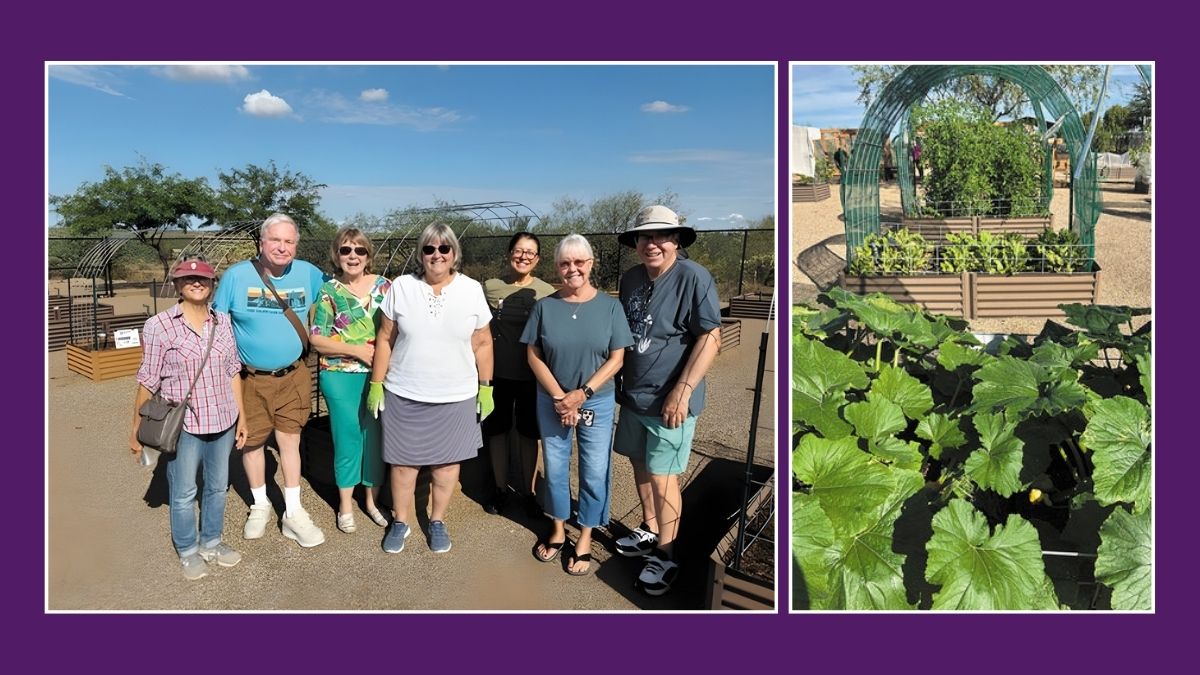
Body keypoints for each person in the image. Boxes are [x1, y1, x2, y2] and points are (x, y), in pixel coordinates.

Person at [613, 205, 721, 596]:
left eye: (660, 236)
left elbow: (710, 337)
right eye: (644, 236)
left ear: (676, 240)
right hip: (635, 396)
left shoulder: (695, 278)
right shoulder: (631, 280)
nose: (652, 243)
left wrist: (683, 389)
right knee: (640, 464)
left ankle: (666, 554)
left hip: (670, 402)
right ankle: (650, 528)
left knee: (664, 477)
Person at [368, 223, 494, 554]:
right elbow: (385, 338)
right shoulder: (401, 287)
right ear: (420, 254)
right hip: (405, 393)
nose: (436, 255)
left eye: (443, 249)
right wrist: (376, 384)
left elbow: (482, 342)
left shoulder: (471, 289)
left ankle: (437, 520)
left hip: (456, 396)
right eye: (429, 248)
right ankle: (401, 521)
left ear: (454, 254)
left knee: (447, 466)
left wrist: (486, 387)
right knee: (403, 465)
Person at [212, 212, 327, 548]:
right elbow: (217, 326)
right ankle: (260, 504)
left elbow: (337, 300)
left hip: (294, 375)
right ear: (262, 243)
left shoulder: (309, 273)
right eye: (275, 240)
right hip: (250, 379)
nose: (282, 247)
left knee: (290, 441)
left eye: (289, 241)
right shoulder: (236, 277)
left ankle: (293, 512)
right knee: (253, 442)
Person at [129, 255, 248, 580]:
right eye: (188, 278)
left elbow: (232, 371)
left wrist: (243, 417)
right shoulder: (159, 326)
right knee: (183, 492)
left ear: (212, 285)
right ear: (177, 284)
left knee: (217, 486)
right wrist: (135, 429)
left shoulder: (223, 323)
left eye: (204, 279)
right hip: (185, 426)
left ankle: (211, 541)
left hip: (223, 419)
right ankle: (187, 549)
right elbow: (148, 379)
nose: (196, 282)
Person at [522, 234, 633, 576]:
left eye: (579, 262)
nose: (572, 269)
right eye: (565, 263)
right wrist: (560, 397)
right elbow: (533, 354)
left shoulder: (609, 307)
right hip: (552, 401)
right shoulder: (544, 307)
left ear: (591, 264)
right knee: (555, 468)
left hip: (595, 402)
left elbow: (617, 358)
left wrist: (582, 393)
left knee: (594, 469)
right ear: (557, 267)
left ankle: (584, 534)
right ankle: (557, 528)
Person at [309, 228, 392, 534]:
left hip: (379, 377)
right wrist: (356, 350)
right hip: (340, 375)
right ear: (337, 255)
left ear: (368, 255)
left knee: (374, 439)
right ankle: (345, 505)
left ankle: (371, 502)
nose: (353, 256)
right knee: (347, 439)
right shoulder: (330, 291)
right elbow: (317, 338)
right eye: (346, 250)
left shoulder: (386, 287)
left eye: (359, 251)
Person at [482, 232, 556, 517]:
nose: (524, 256)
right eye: (519, 250)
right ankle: (500, 489)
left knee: (528, 434)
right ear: (509, 253)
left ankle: (527, 491)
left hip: (532, 376)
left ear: (537, 258)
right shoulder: (490, 287)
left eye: (530, 252)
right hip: (497, 374)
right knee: (497, 432)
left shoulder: (547, 292)